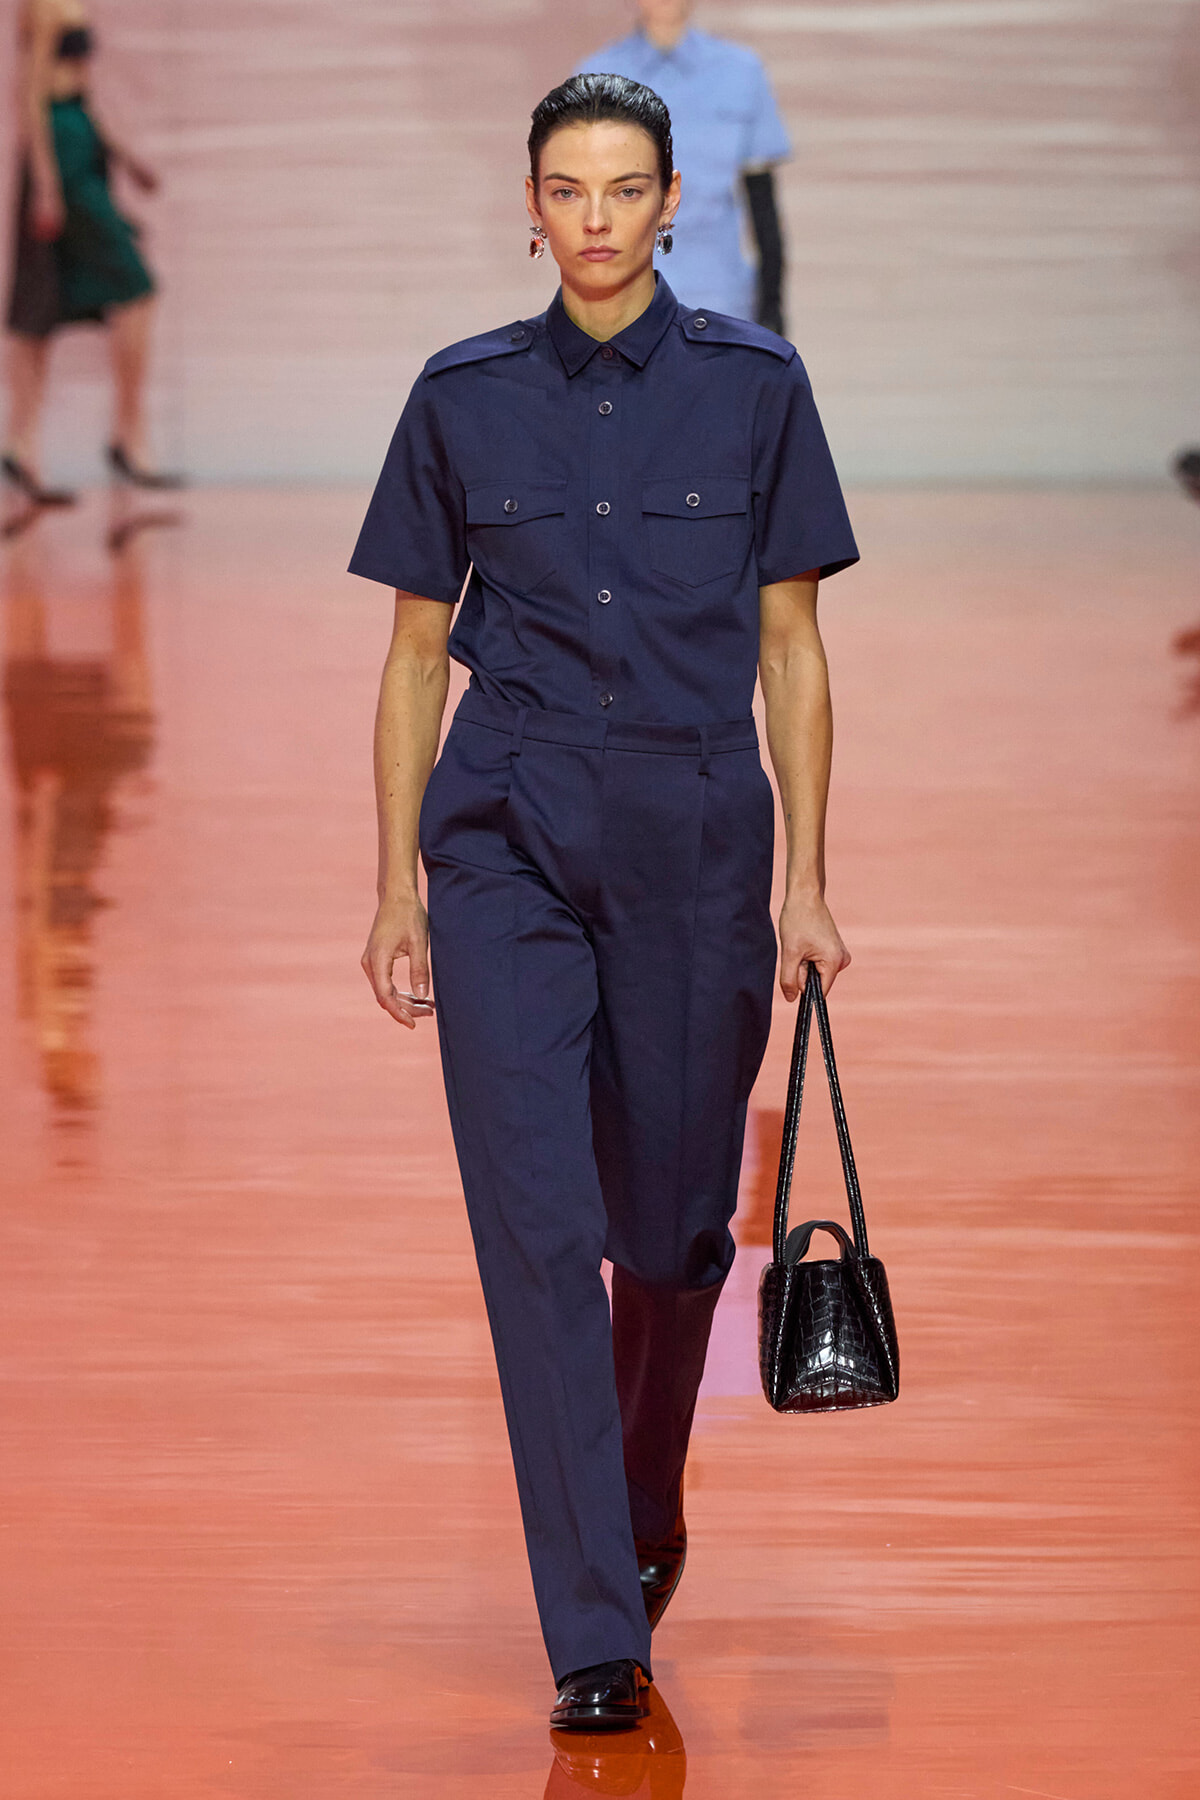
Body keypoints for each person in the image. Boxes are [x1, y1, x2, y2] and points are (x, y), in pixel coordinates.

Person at [352, 73, 856, 1731]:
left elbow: (793, 645)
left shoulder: (759, 389)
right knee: (539, 1235)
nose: (592, 217)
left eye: (622, 188)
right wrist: (394, 886)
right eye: (564, 188)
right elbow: (418, 652)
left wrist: (808, 885)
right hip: (502, 841)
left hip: (701, 848)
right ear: (530, 203)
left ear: (667, 206)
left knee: (673, 1235)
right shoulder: (460, 396)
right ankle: (594, 1631)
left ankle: (644, 1504)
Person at [4, 0, 179, 508]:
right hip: (60, 155)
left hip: (78, 143)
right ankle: (125, 440)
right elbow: (32, 96)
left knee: (48, 301)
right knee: (131, 288)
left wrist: (125, 158)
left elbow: (79, 95)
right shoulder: (42, 5)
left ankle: (26, 447)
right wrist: (46, 183)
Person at [575, 0, 791, 333]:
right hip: (622, 306)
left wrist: (772, 307)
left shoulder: (740, 72)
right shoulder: (595, 79)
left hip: (722, 302)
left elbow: (762, 202)